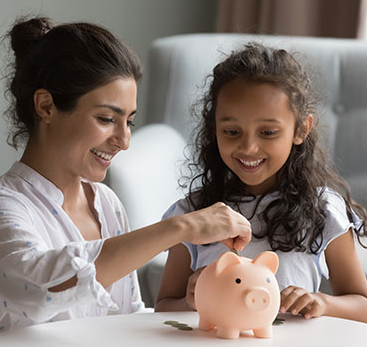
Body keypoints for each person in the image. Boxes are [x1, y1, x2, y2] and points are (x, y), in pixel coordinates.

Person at [0, 17, 252, 339]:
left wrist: (201, 299)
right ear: (46, 106)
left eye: (129, 122)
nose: (124, 141)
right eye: (107, 119)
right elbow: (39, 289)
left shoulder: (105, 202)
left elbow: (126, 316)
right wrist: (182, 227)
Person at [155, 43, 367, 323]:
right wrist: (190, 301)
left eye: (268, 132)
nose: (249, 147)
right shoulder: (194, 214)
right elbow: (163, 306)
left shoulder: (324, 210)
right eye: (231, 131)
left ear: (301, 129)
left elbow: (362, 305)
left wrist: (321, 302)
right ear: (214, 128)